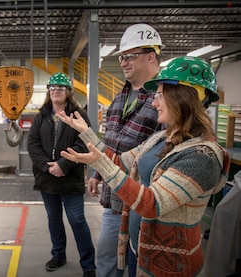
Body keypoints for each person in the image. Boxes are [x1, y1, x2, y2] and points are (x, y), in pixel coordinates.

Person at [57, 56, 230, 276]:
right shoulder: (160, 138)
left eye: (159, 94)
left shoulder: (202, 156)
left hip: (170, 263)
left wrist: (100, 164)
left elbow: (152, 203)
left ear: (184, 97)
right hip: (138, 246)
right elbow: (119, 161)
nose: (154, 102)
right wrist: (85, 131)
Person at [88, 23, 164, 277]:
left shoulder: (164, 100)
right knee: (108, 260)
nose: (123, 62)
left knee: (139, 265)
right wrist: (98, 174)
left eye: (129, 56)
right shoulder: (119, 97)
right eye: (122, 57)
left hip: (144, 203)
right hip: (114, 200)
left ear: (151, 56)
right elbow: (111, 143)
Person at [27, 72, 96, 277]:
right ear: (49, 91)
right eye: (53, 87)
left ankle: (89, 265)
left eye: (60, 87)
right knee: (54, 219)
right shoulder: (41, 116)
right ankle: (58, 255)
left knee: (77, 220)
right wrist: (48, 166)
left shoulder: (79, 115)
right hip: (47, 178)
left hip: (71, 178)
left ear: (68, 92)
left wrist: (63, 165)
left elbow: (84, 142)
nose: (56, 90)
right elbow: (32, 144)